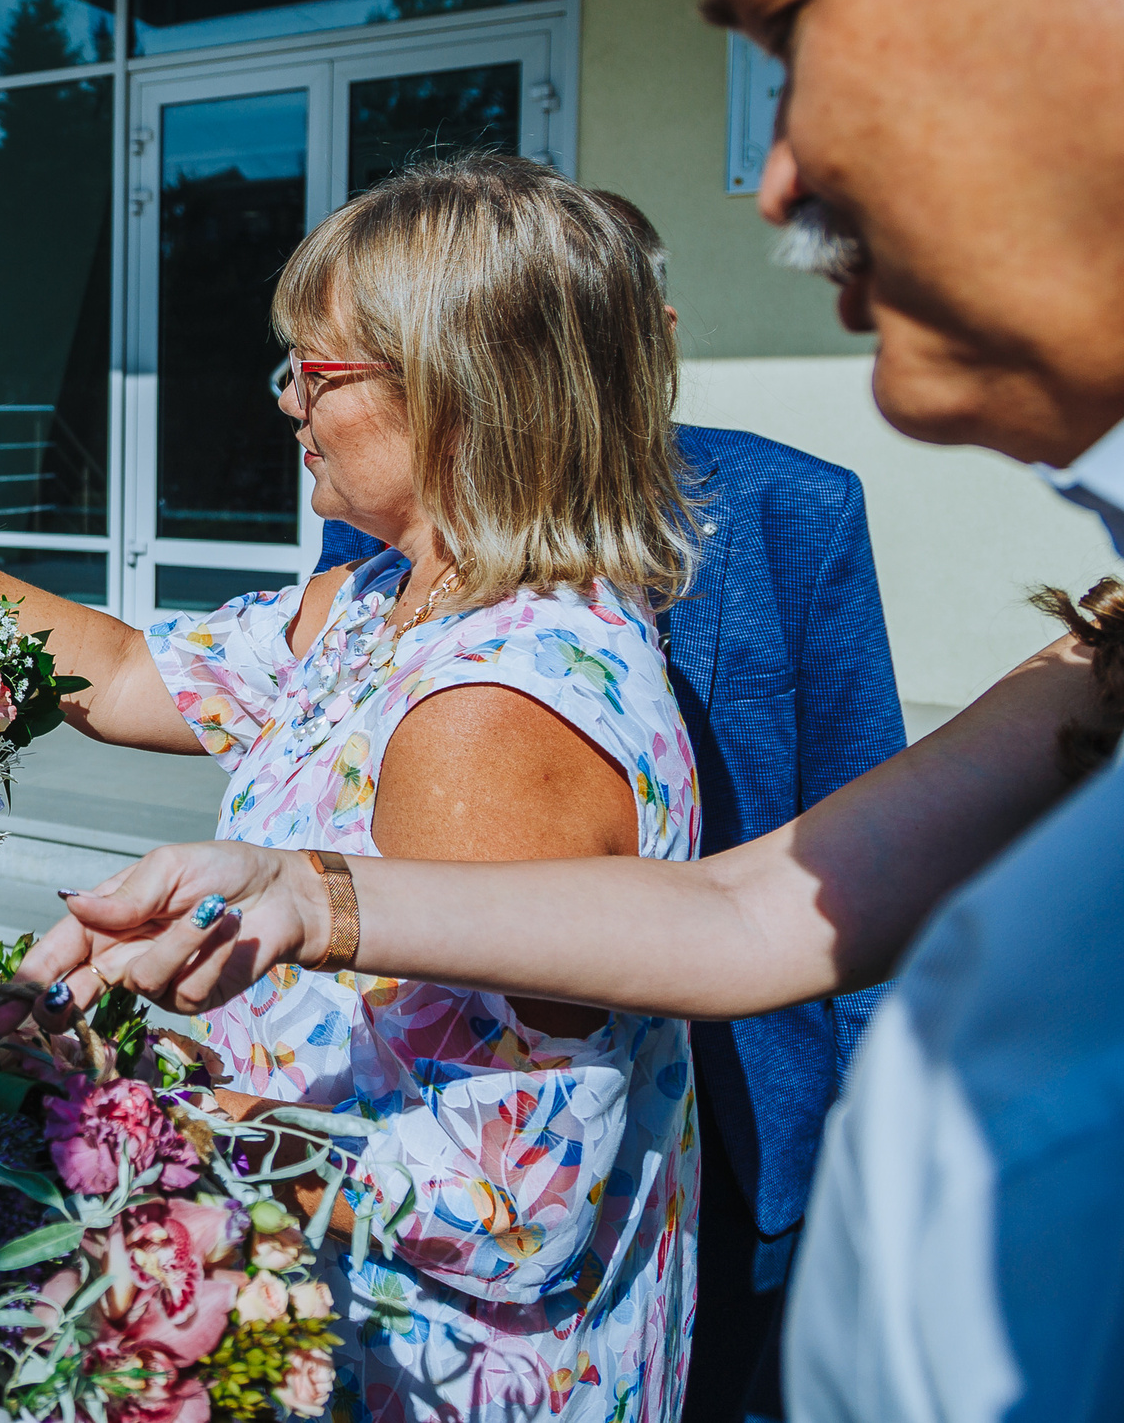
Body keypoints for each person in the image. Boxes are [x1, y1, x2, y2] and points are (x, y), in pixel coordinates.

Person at [21, 0, 1124, 1411]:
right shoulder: (1103, 655)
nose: (774, 177)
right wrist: (304, 896)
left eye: (799, 15)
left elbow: (502, 1174)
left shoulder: (505, 684)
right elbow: (756, 910)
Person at [0, 155, 708, 1419]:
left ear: (458, 391)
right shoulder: (381, 601)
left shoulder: (485, 718)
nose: (286, 400)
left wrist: (131, 1110)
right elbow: (122, 674)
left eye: (318, 370)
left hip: (429, 1367)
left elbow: (508, 1205)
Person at [313, 192, 904, 1423]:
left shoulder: (794, 504)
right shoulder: (389, 538)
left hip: (753, 1100)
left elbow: (855, 805)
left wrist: (866, 1134)